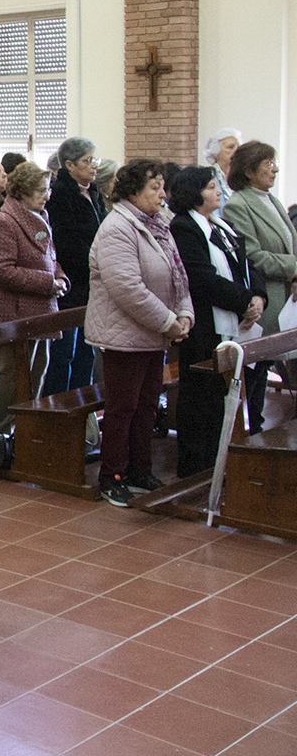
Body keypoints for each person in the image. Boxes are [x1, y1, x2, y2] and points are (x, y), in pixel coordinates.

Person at [84, 159, 192, 505]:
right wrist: (168, 322)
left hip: (152, 333)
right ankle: (112, 475)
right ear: (133, 192)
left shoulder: (158, 224)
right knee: (123, 408)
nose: (163, 194)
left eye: (163, 186)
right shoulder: (117, 227)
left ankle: (140, 469)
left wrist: (185, 313)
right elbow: (127, 288)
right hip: (124, 335)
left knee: (147, 405)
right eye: (154, 187)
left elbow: (178, 275)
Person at [169, 166, 264, 477]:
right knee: (201, 398)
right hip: (204, 327)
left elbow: (248, 264)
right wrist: (243, 301)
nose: (219, 191)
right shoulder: (185, 228)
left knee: (220, 398)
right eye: (212, 186)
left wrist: (258, 297)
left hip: (231, 321)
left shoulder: (222, 226)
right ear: (194, 193)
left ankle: (216, 461)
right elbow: (201, 279)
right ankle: (196, 468)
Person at [0, 162, 67, 443]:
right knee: (14, 375)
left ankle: (24, 425)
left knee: (36, 371)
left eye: (48, 189)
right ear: (23, 191)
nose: (47, 195)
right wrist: (47, 283)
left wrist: (60, 277)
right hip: (13, 312)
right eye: (41, 190)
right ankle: (0, 428)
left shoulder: (39, 215)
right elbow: (2, 271)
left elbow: (49, 257)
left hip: (39, 309)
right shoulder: (5, 222)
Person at [220, 140, 295, 435]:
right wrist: (294, 268)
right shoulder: (239, 205)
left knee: (268, 366)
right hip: (266, 296)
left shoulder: (269, 198)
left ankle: (262, 428)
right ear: (250, 171)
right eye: (268, 164)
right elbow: (252, 256)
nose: (275, 169)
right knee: (258, 369)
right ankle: (252, 431)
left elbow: (291, 242)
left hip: (287, 293)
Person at [43, 137, 107, 397]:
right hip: (73, 282)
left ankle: (84, 411)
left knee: (86, 352)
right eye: (88, 161)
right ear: (69, 165)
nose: (94, 166)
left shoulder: (93, 192)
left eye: (95, 160)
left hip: (94, 284)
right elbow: (65, 243)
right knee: (64, 354)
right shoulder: (60, 196)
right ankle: (61, 407)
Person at [204, 128, 241, 210]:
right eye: (231, 147)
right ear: (216, 153)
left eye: (238, 147)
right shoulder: (209, 176)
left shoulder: (241, 177)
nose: (236, 151)